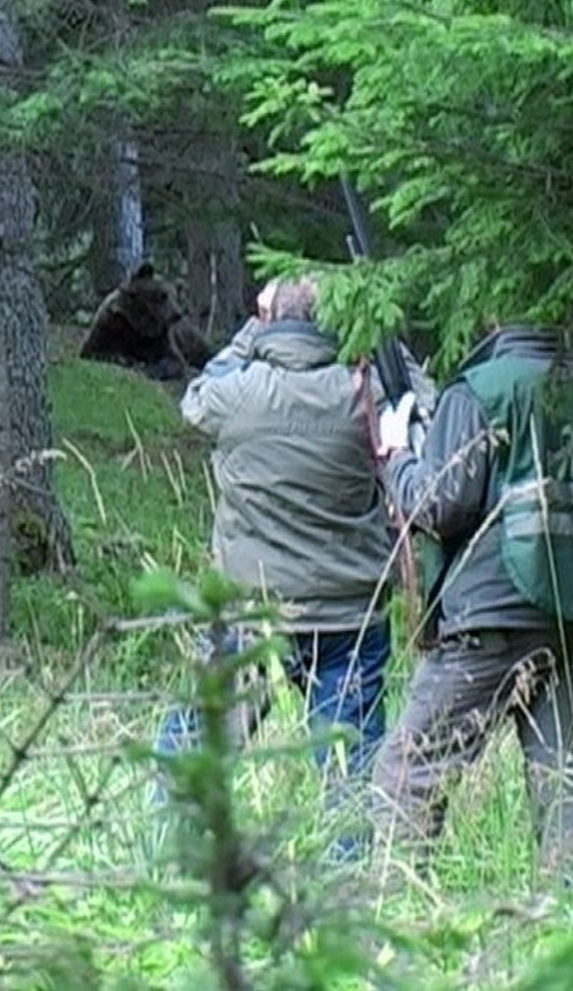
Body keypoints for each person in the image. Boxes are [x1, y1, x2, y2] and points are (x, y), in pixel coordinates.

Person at [369, 321, 573, 884]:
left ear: (490, 323)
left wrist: (396, 456)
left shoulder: (481, 389)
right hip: (572, 615)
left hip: (491, 616)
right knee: (562, 776)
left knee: (408, 770)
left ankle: (394, 912)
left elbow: (441, 506)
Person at [153, 277, 405, 834]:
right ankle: (356, 891)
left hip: (250, 613)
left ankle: (162, 859)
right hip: (348, 614)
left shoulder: (237, 395)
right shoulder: (362, 393)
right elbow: (416, 404)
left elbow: (196, 397)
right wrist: (374, 332)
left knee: (191, 752)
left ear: (269, 320)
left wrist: (252, 330)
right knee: (350, 772)